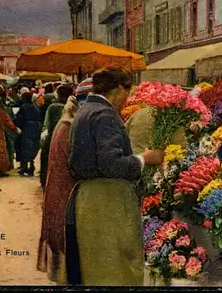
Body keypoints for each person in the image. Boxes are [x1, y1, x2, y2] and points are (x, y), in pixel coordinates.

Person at [65, 68, 165, 286]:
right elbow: (111, 164)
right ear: (119, 89)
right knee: (116, 270)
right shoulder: (105, 115)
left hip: (89, 200)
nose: (127, 99)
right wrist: (144, 158)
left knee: (96, 268)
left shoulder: (85, 110)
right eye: (127, 92)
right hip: (106, 201)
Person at [37, 96, 79, 283]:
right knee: (62, 239)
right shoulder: (68, 129)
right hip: (64, 192)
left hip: (56, 190)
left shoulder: (62, 125)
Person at [39, 84, 74, 188]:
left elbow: (46, 124)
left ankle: (46, 184)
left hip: (52, 139)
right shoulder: (74, 107)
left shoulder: (52, 107)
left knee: (47, 163)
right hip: (68, 140)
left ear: (58, 95)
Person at [14, 92, 41, 177]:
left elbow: (18, 119)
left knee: (24, 148)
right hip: (35, 129)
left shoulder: (24, 107)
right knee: (33, 148)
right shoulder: (35, 107)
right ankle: (31, 167)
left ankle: (24, 167)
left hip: (26, 129)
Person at [0, 87, 17, 177]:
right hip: (6, 131)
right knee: (8, 148)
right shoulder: (5, 108)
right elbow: (11, 120)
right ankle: (5, 167)